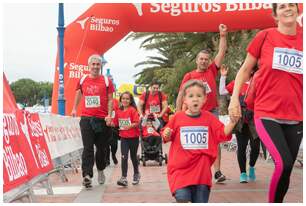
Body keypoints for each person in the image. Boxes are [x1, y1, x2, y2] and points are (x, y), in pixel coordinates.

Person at [228, 3, 302, 203]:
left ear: (299, 10)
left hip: (296, 114)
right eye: (283, 6)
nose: (288, 9)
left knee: (286, 170)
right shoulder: (265, 36)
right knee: (284, 163)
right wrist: (234, 98)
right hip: (266, 111)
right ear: (275, 14)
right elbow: (244, 70)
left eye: (292, 5)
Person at [162, 80, 237, 203]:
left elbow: (223, 133)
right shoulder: (177, 118)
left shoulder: (209, 118)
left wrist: (233, 121)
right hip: (180, 172)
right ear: (185, 100)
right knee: (182, 199)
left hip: (202, 173)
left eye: (199, 96)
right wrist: (166, 134)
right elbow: (165, 135)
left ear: (204, 99)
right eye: (191, 96)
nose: (195, 99)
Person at [176, 24, 228, 183]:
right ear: (197, 60)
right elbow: (180, 95)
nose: (204, 61)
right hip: (193, 115)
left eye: (206, 59)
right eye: (201, 59)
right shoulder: (189, 75)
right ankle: (193, 170)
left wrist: (223, 35)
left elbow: (221, 52)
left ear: (209, 61)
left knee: (216, 140)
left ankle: (217, 172)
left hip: (212, 112)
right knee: (196, 142)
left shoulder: (212, 70)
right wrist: (178, 114)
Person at [71, 54, 115, 188]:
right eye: (93, 64)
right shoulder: (83, 79)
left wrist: (109, 115)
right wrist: (74, 108)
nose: (95, 67)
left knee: (101, 149)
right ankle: (87, 175)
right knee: (88, 148)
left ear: (100, 66)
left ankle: (100, 170)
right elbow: (78, 93)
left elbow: (110, 99)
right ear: (89, 66)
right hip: (86, 119)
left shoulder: (106, 81)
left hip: (102, 120)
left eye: (98, 64)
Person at [219, 65, 260, 183]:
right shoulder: (236, 83)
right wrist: (223, 76)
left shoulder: (257, 82)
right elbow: (222, 91)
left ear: (252, 70)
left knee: (255, 147)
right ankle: (243, 173)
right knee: (241, 147)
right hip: (240, 121)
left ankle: (251, 166)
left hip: (254, 121)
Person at [112, 91, 141, 187]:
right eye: (123, 98)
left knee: (133, 156)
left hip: (133, 137)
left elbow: (137, 122)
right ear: (120, 100)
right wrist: (108, 121)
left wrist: (130, 126)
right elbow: (115, 123)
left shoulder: (132, 110)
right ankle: (123, 178)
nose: (125, 100)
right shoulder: (118, 111)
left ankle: (136, 173)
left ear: (130, 100)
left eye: (127, 99)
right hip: (124, 138)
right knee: (124, 157)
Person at [106, 98, 120, 166]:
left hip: (114, 127)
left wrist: (115, 122)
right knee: (106, 145)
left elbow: (118, 113)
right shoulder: (103, 99)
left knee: (114, 145)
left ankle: (113, 155)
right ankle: (107, 159)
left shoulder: (116, 101)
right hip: (106, 126)